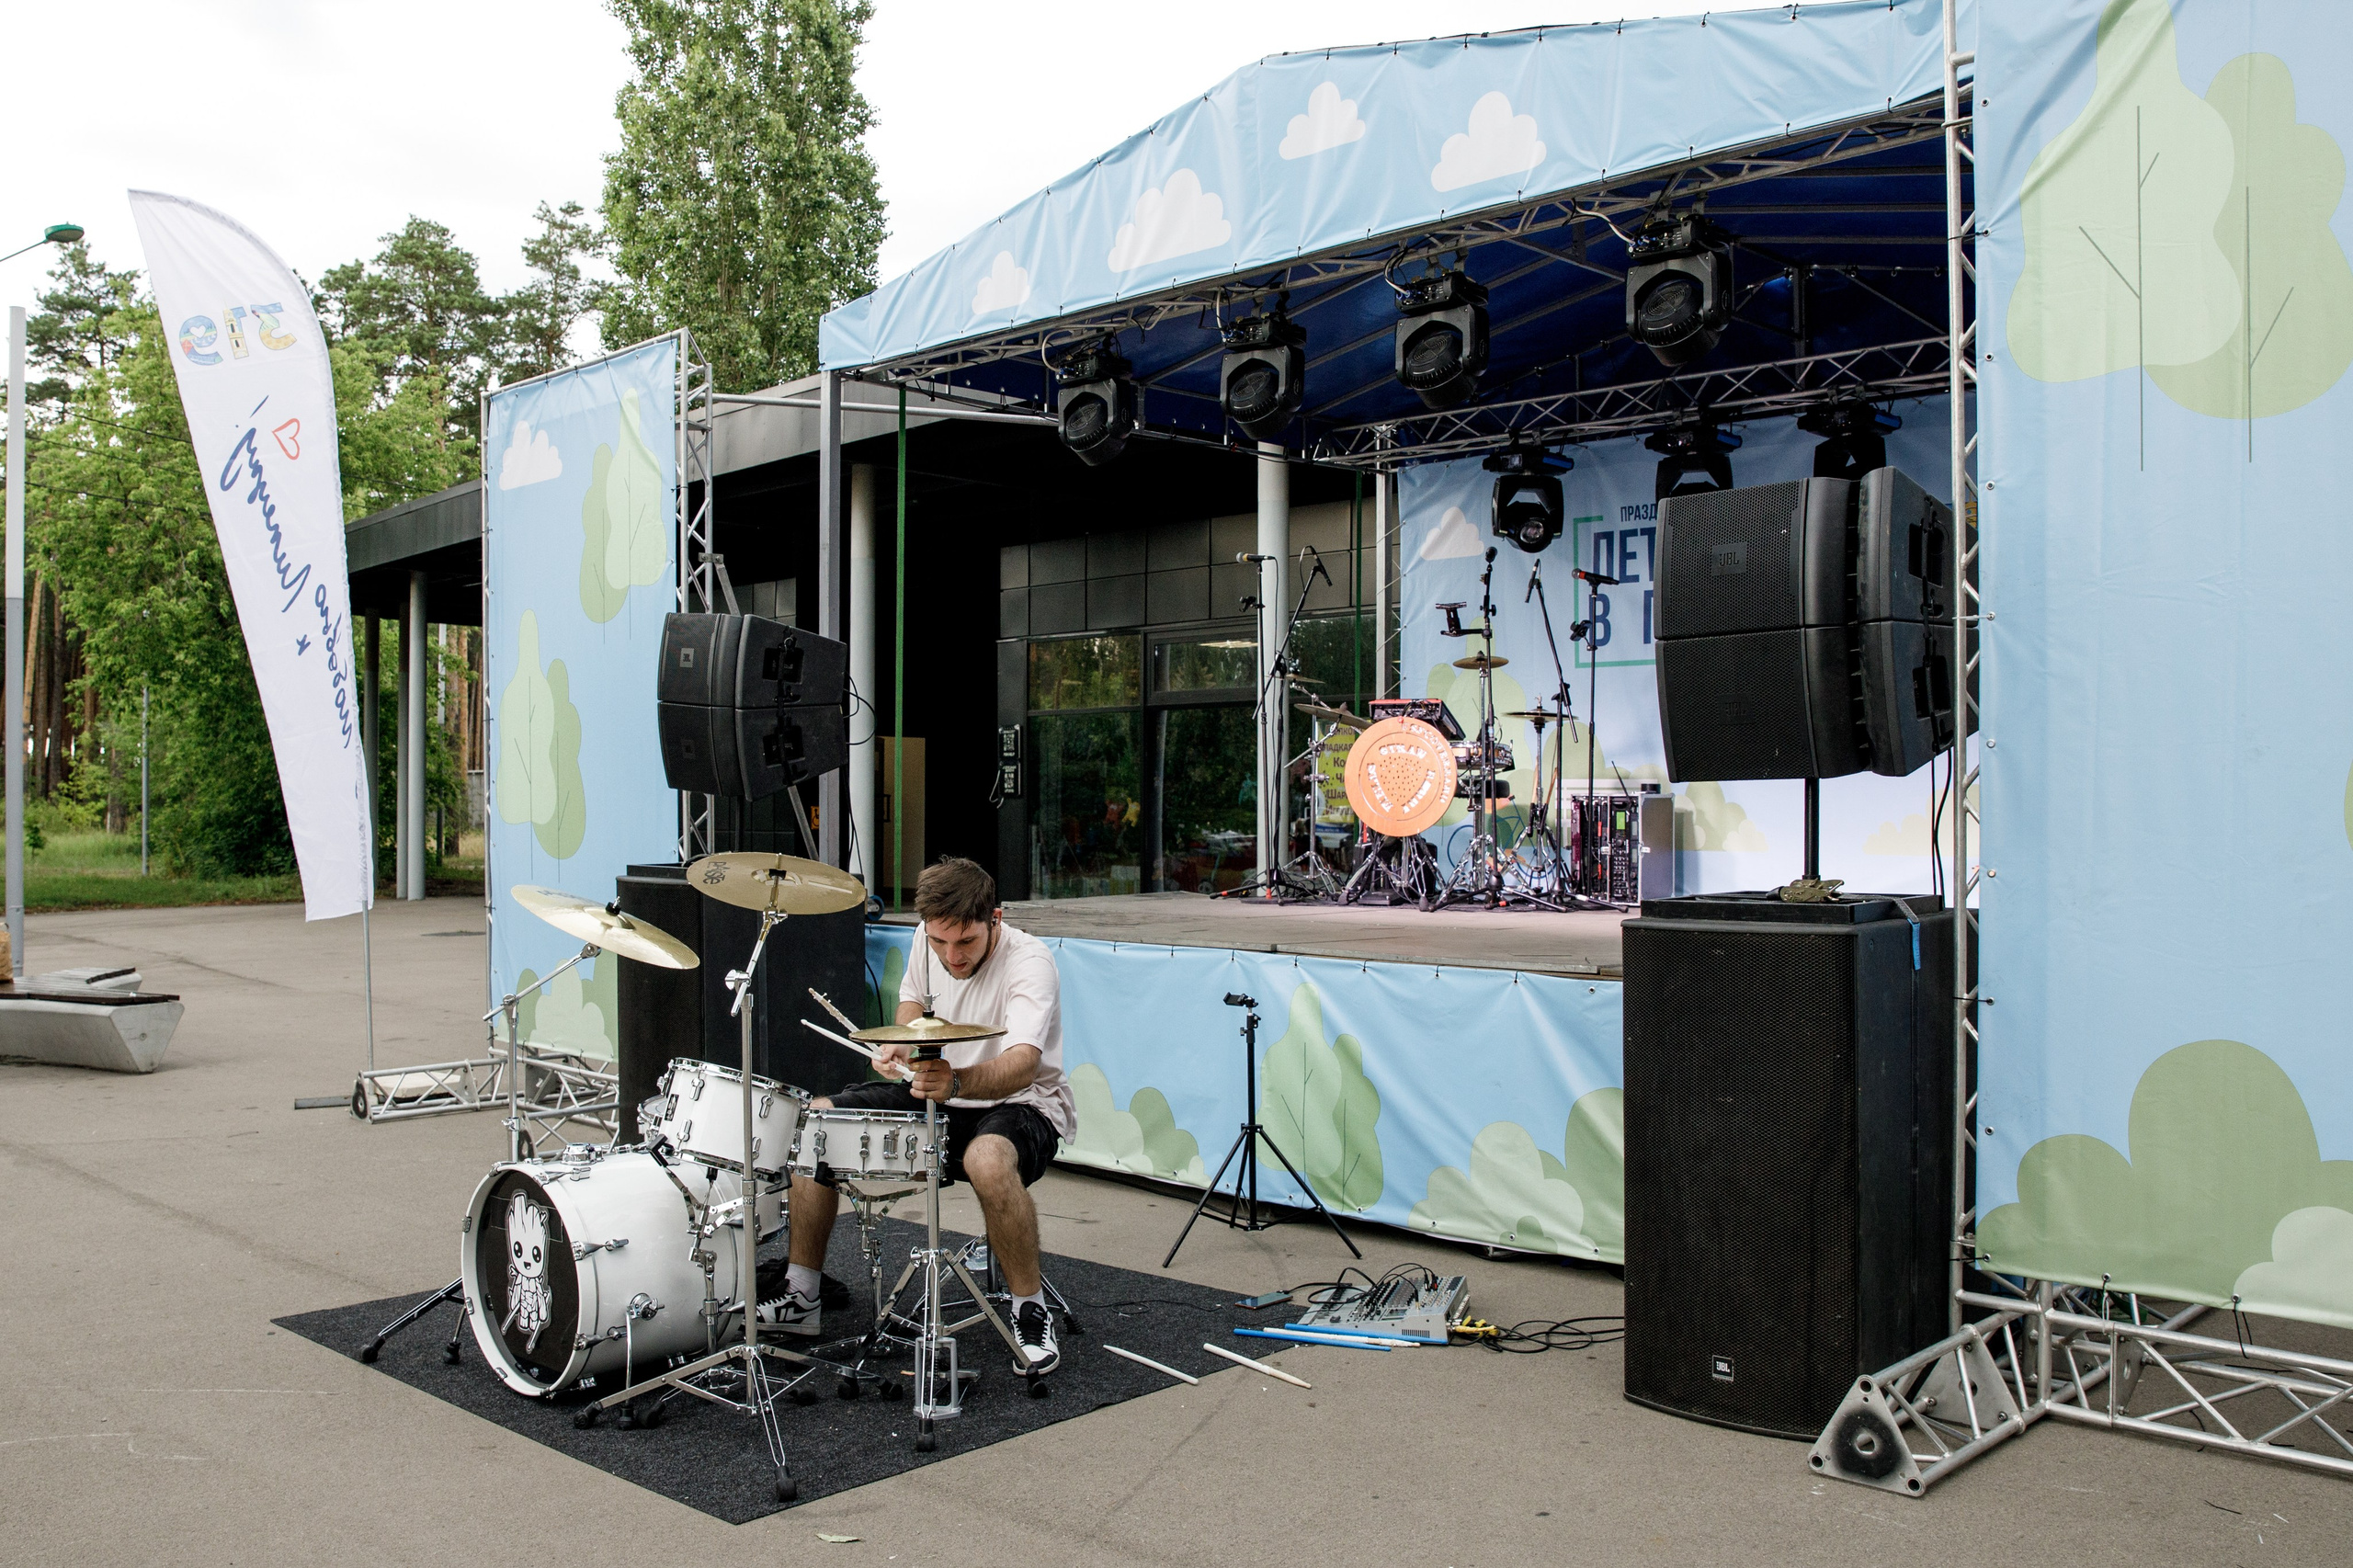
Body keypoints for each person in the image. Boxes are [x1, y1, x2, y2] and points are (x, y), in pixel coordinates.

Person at [771, 857, 1073, 1374]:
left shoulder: (1031, 961)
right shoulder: (925, 939)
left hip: (1023, 1104)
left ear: (994, 919)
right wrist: (901, 1045)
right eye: (939, 943)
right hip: (938, 1091)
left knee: (987, 1160)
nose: (951, 956)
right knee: (816, 1122)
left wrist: (956, 1081)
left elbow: (1024, 1061)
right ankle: (801, 1294)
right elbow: (912, 1007)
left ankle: (1029, 1309)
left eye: (966, 943)